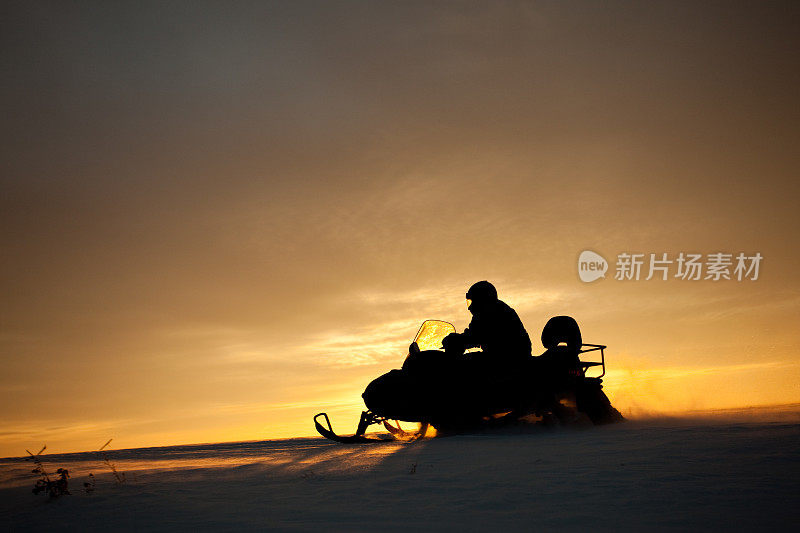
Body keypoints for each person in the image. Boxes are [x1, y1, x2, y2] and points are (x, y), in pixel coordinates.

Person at [442, 281, 532, 374]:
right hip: (500, 359)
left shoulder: (496, 312)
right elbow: (473, 334)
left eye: (472, 301)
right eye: (469, 302)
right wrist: (459, 339)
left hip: (509, 362)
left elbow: (475, 336)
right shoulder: (485, 313)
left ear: (481, 299)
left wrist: (456, 340)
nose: (469, 307)